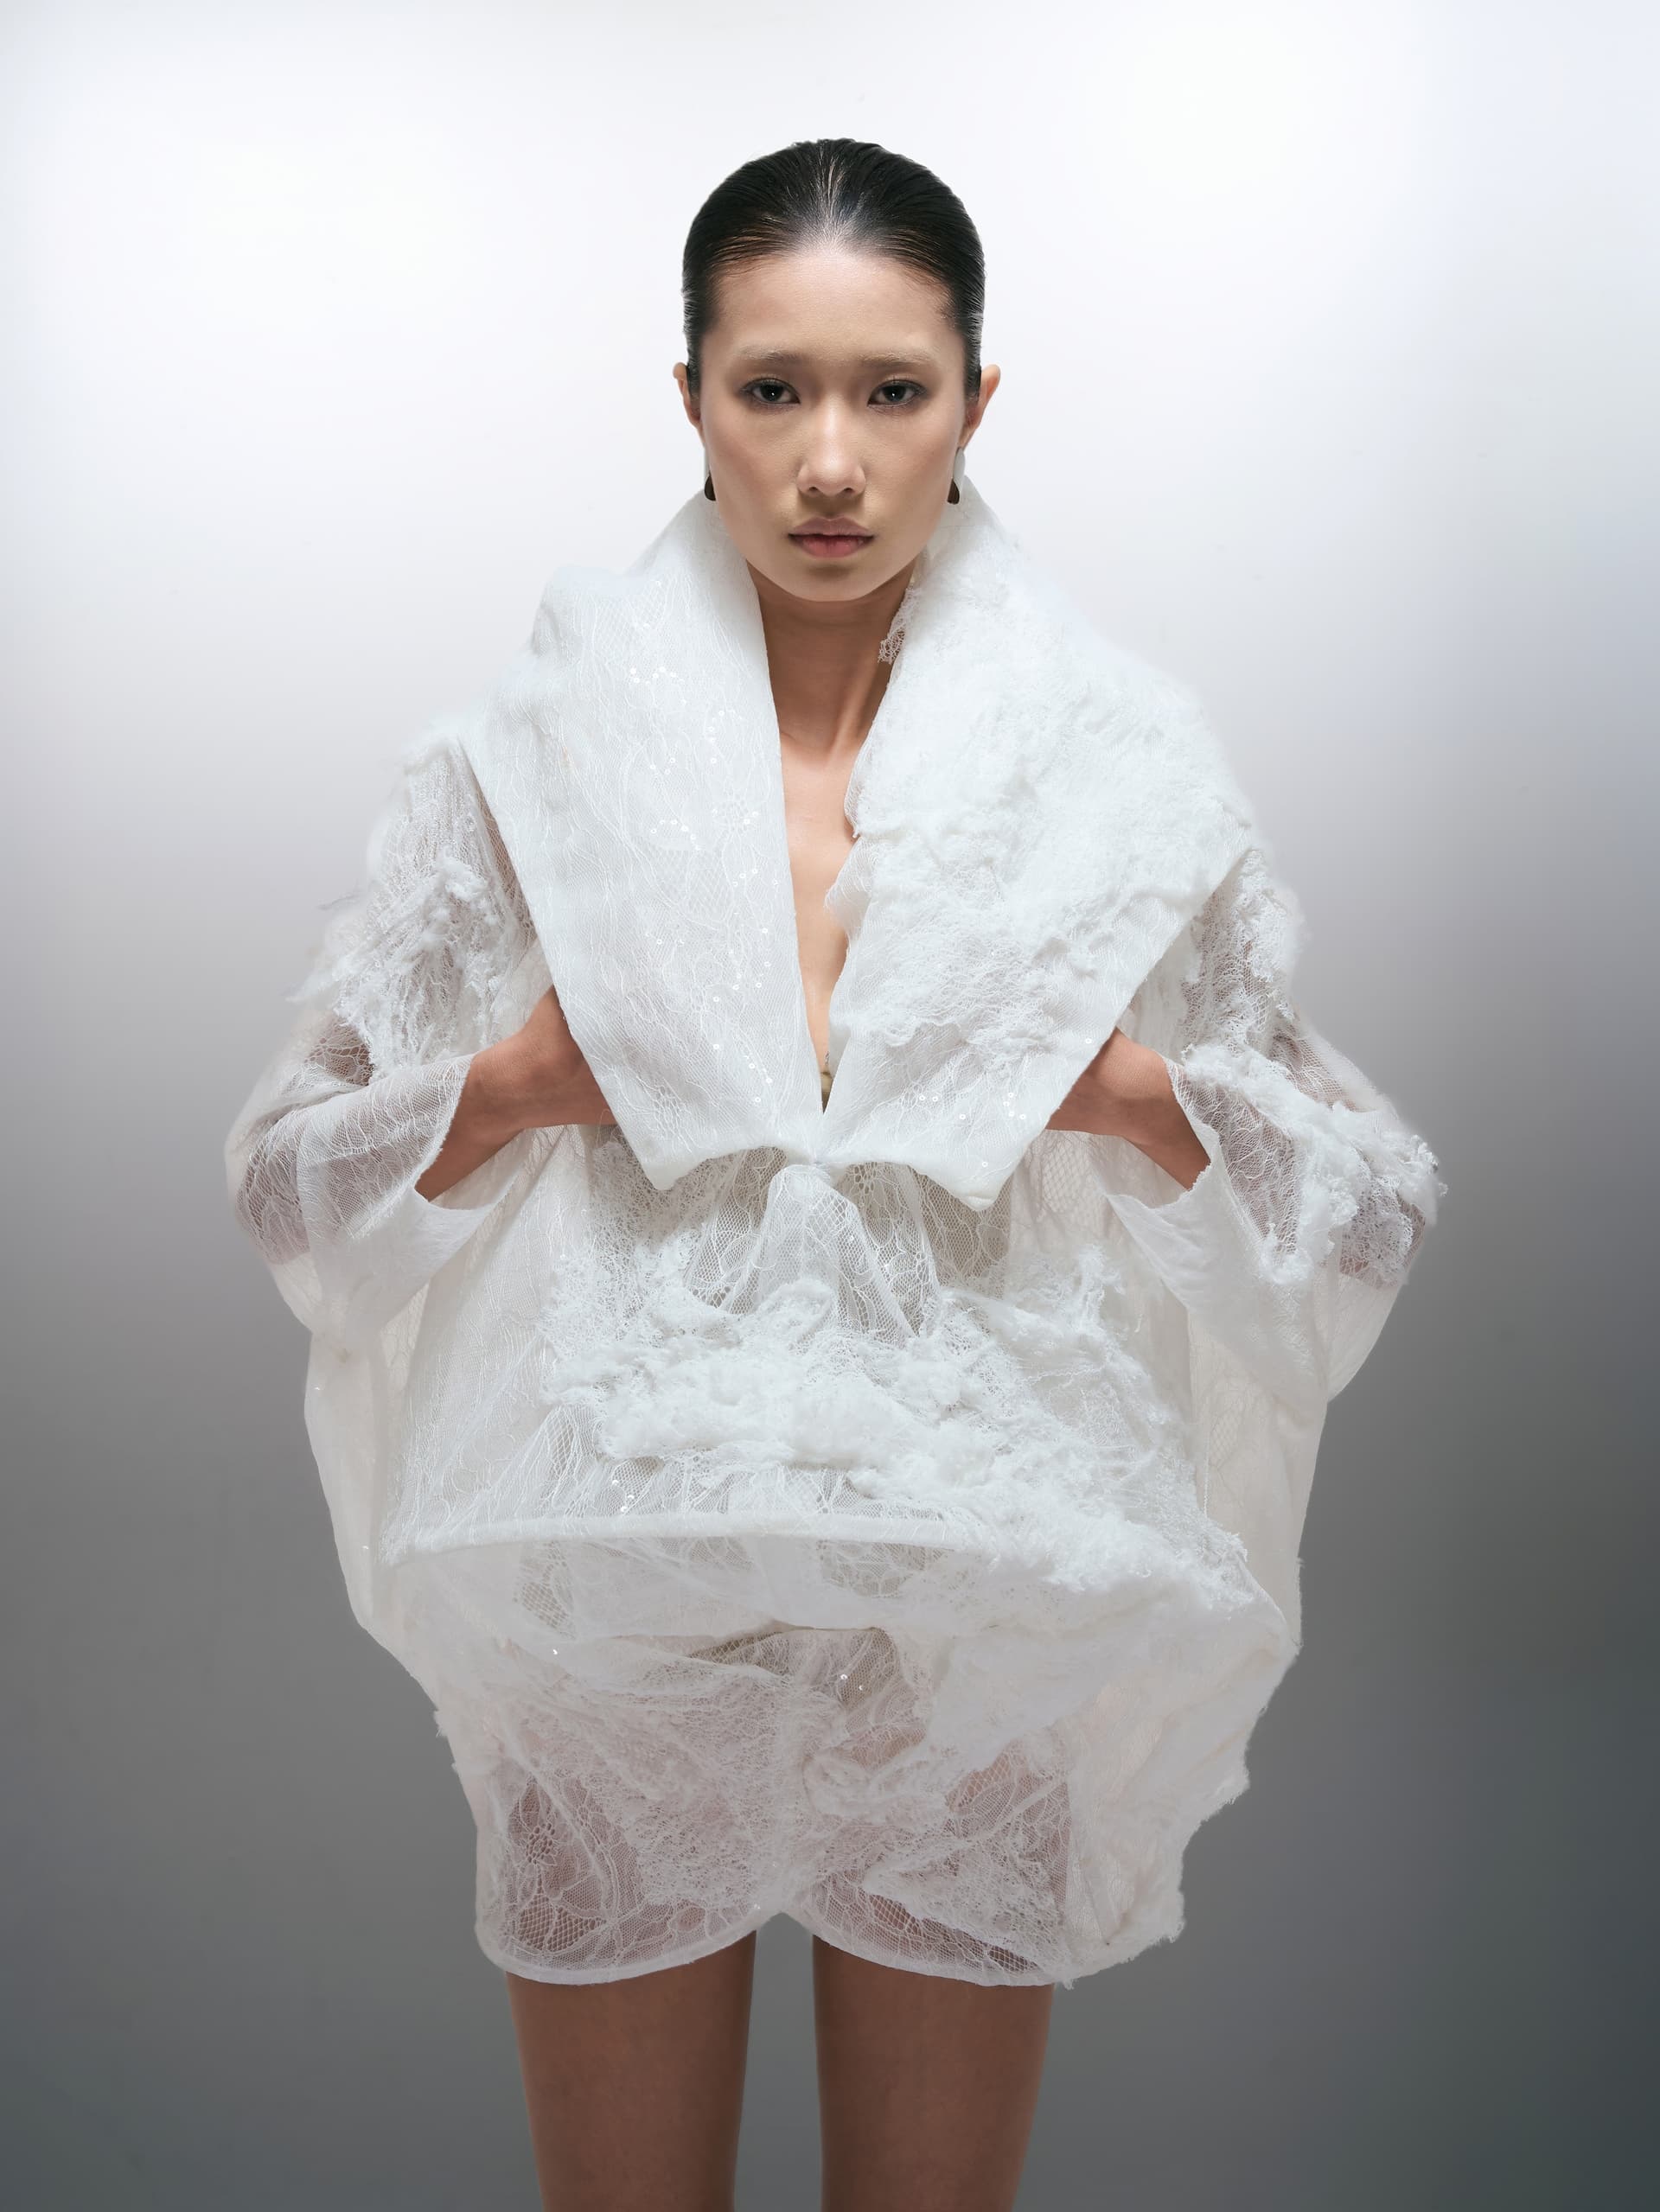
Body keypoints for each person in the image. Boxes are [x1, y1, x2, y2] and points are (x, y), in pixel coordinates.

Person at [224, 137, 1445, 2212]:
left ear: (981, 399)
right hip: (618, 1574)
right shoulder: (524, 763)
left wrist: (1141, 1089)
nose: (829, 461)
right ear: (686, 396)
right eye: (769, 386)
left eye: (893, 389)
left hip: (972, 1577)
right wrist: (511, 1086)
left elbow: (1358, 1202)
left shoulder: (1117, 775)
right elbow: (288, 1180)